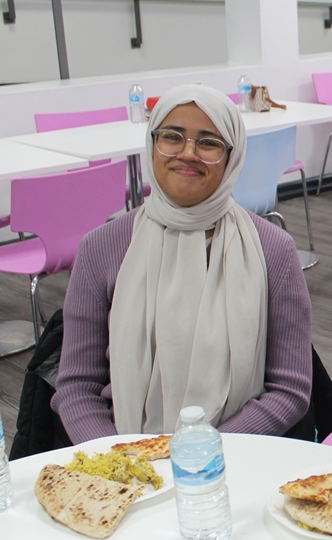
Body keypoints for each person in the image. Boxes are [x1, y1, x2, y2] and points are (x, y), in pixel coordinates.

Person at [52, 84, 312, 442]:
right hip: (124, 462)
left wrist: (199, 451)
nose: (187, 153)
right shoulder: (102, 248)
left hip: (235, 455)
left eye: (208, 142)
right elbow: (77, 387)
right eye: (172, 137)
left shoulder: (273, 250)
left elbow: (289, 390)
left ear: (231, 156)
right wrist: (120, 456)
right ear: (152, 143)